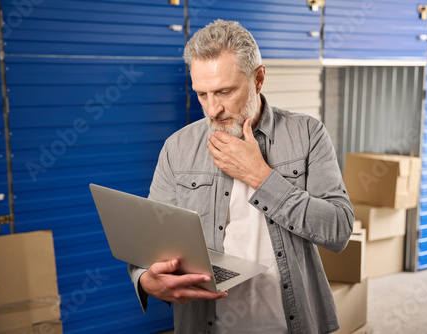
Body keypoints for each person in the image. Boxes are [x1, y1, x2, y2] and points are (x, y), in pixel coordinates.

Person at [128, 19, 354, 334]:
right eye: (202, 94)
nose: (212, 109)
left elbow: (339, 230)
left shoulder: (308, 133)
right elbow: (149, 245)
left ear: (258, 78)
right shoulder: (176, 147)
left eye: (224, 91)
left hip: (292, 323)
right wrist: (145, 278)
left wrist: (261, 177)